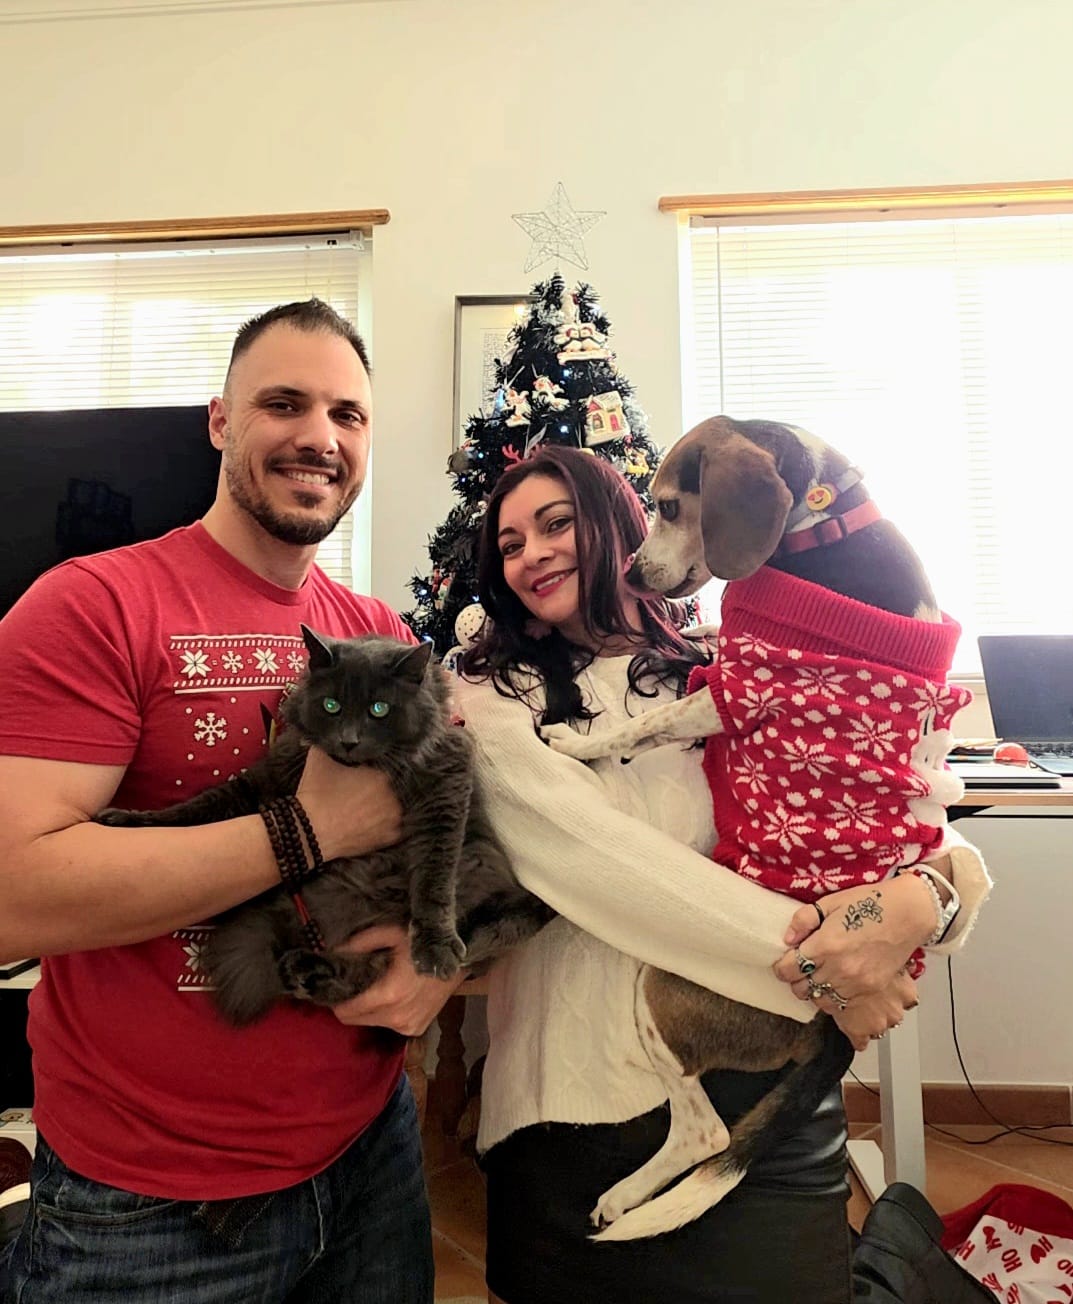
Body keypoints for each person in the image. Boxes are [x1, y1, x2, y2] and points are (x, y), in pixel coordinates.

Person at [0, 299, 463, 1303]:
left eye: (348, 414)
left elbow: (468, 821)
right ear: (219, 421)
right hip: (151, 1201)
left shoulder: (370, 628)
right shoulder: (92, 603)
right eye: (284, 403)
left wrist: (441, 975)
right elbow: (13, 897)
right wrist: (307, 829)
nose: (319, 435)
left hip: (368, 1149)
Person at [452, 446, 991, 1304]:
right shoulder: (489, 702)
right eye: (509, 544)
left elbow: (900, 796)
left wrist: (932, 896)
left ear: (626, 528)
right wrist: (830, 965)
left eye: (556, 524)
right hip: (580, 1104)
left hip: (773, 1085)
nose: (532, 556)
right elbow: (608, 870)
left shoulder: (729, 666)